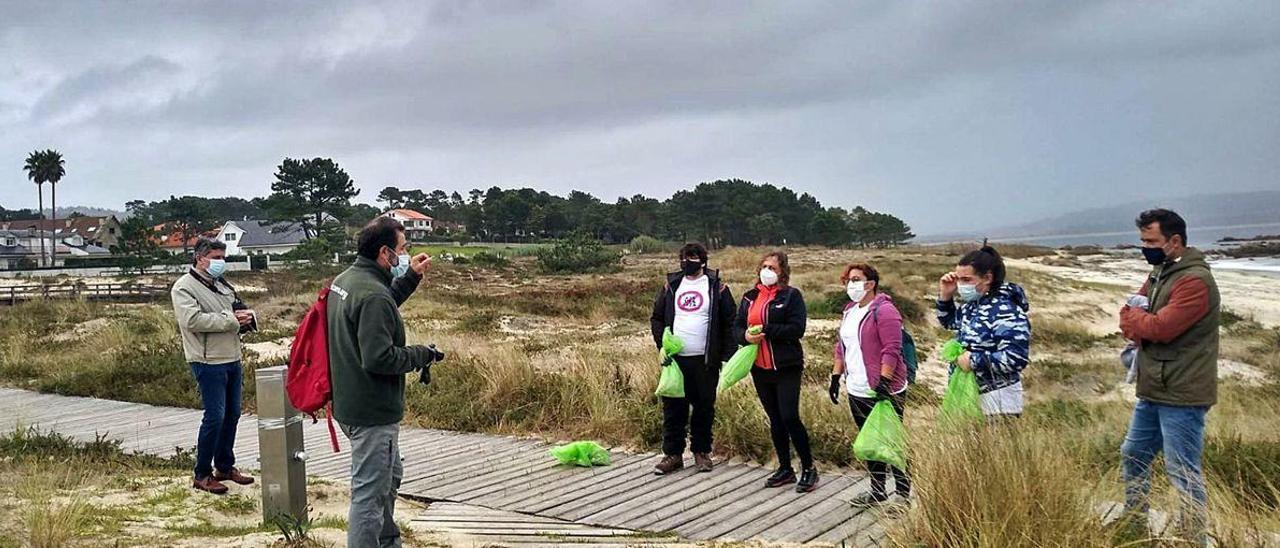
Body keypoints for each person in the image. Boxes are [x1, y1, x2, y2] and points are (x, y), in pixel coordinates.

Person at [329, 217, 439, 548]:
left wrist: (410, 277)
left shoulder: (347, 280)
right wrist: (422, 354)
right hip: (371, 410)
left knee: (389, 478)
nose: (406, 254)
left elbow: (379, 308)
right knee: (370, 495)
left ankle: (387, 541)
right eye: (403, 250)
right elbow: (379, 358)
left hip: (350, 401)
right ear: (385, 253)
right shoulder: (371, 293)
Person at [1118, 209, 1218, 544]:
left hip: (1183, 392)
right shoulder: (1161, 272)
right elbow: (1130, 310)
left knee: (1183, 471)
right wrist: (1137, 321)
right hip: (1154, 389)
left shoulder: (1194, 281)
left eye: (1151, 241)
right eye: (1143, 241)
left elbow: (1161, 327)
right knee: (1133, 454)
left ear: (1174, 241)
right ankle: (1134, 522)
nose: (1144, 247)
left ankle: (1194, 538)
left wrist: (1138, 323)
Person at [171, 238, 256, 494]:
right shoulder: (183, 288)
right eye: (216, 257)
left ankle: (225, 466)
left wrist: (247, 318)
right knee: (215, 416)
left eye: (223, 258)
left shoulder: (221, 285)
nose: (221, 263)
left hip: (231, 356)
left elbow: (236, 310)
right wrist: (231, 320)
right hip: (207, 360)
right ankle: (202, 473)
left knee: (232, 414)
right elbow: (193, 320)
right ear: (200, 257)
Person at [734, 250, 818, 492]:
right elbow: (738, 326)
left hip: (786, 366)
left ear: (782, 272)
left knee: (790, 416)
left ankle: (809, 468)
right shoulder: (750, 297)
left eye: (773, 268)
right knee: (775, 419)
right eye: (764, 266)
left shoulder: (791, 296)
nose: (767, 271)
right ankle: (785, 468)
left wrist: (767, 330)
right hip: (760, 368)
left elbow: (797, 328)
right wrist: (745, 335)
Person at [649, 243, 736, 475]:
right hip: (675, 361)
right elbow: (657, 317)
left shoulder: (717, 287)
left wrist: (726, 355)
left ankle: (701, 452)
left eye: (693, 257)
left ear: (703, 261)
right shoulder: (671, 286)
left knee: (703, 407)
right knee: (673, 409)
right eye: (684, 257)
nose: (688, 261)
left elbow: (730, 321)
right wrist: (662, 345)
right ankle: (672, 455)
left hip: (705, 360)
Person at [829, 262, 910, 506]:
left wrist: (885, 381)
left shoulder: (884, 311)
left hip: (883, 390)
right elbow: (841, 347)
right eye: (848, 280)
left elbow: (892, 348)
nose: (850, 284)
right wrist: (835, 376)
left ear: (871, 284)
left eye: (855, 279)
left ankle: (903, 496)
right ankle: (877, 490)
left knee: (892, 442)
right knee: (871, 443)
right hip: (856, 388)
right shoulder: (850, 311)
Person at [936, 244, 1031, 418]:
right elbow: (950, 322)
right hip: (969, 398)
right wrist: (945, 296)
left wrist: (974, 361)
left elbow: (1016, 358)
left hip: (998, 404)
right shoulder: (973, 306)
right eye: (958, 279)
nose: (960, 285)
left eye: (966, 280)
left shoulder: (1006, 310)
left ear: (987, 278)